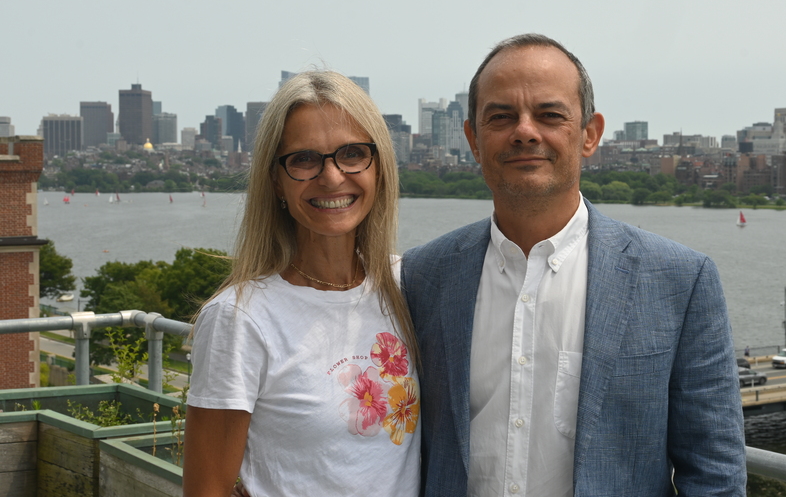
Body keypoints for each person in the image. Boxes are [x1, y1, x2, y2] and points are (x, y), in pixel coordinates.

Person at [402, 34, 747, 496]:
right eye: (501, 116)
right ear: (473, 139)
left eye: (549, 115)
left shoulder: (680, 282)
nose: (525, 131)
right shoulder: (424, 276)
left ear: (589, 134)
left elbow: (715, 474)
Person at [183, 71, 420, 497]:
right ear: (276, 179)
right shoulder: (240, 319)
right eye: (304, 159)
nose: (331, 177)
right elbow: (207, 490)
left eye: (352, 153)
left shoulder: (407, 286)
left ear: (378, 165)